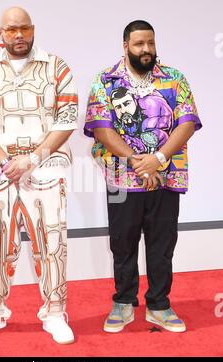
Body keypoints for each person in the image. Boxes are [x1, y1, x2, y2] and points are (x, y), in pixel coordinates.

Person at [0, 7, 78, 344]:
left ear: (33, 29)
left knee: (52, 242)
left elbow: (67, 119)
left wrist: (31, 159)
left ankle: (55, 312)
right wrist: (5, 162)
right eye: (11, 30)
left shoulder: (57, 67)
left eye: (24, 28)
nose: (18, 35)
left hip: (46, 167)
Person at [84, 20, 202, 333]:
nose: (146, 49)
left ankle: (159, 305)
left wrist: (159, 159)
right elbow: (102, 129)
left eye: (150, 43)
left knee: (162, 244)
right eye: (139, 44)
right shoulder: (105, 81)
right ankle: (123, 303)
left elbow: (187, 123)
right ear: (126, 46)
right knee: (122, 243)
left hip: (167, 176)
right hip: (122, 179)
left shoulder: (174, 79)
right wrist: (140, 163)